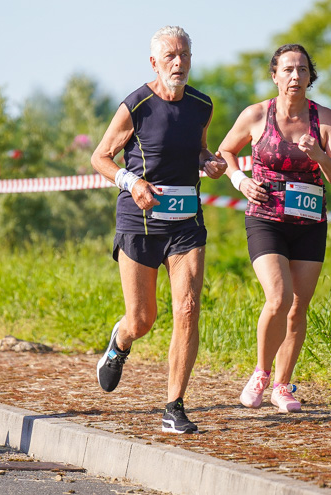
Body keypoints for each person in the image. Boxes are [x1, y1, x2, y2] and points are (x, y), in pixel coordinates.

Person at [91, 26, 227, 434]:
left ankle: (174, 406)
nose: (179, 63)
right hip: (140, 223)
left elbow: (199, 151)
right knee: (143, 319)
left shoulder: (202, 105)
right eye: (170, 56)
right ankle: (120, 341)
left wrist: (210, 162)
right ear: (154, 62)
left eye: (184, 55)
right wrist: (131, 183)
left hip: (185, 222)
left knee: (187, 308)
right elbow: (101, 157)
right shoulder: (137, 105)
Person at [217, 44, 331, 413]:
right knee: (278, 297)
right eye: (288, 70)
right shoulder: (258, 114)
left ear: (311, 76)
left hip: (309, 223)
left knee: (298, 308)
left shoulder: (324, 119)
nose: (295, 76)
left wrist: (320, 155)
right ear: (274, 75)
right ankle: (260, 373)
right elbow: (225, 151)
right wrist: (240, 180)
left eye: (303, 70)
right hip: (266, 219)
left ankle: (282, 385)